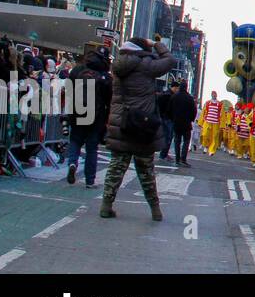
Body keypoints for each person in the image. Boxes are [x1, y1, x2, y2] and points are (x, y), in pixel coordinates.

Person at [100, 38, 174, 220]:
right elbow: (170, 61)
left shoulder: (118, 65)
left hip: (122, 122)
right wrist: (156, 44)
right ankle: (155, 210)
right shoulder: (146, 65)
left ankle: (106, 205)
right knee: (146, 170)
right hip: (143, 124)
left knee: (116, 168)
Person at [66, 46, 111, 187]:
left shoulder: (78, 70)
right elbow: (109, 99)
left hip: (77, 111)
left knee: (75, 141)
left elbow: (69, 89)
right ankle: (90, 181)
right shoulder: (105, 77)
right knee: (92, 148)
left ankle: (72, 163)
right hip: (96, 116)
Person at [169, 80, 196, 166]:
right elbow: (194, 111)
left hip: (176, 122)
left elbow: (169, 108)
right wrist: (191, 119)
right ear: (187, 87)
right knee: (186, 141)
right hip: (186, 123)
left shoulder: (174, 96)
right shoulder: (190, 98)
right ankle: (183, 159)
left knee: (177, 141)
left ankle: (177, 159)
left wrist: (172, 118)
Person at [198, 90, 223, 156]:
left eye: (215, 94)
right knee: (205, 134)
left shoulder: (220, 103)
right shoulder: (207, 102)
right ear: (211, 95)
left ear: (216, 95)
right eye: (213, 94)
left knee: (214, 137)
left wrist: (222, 125)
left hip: (216, 122)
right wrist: (200, 122)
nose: (214, 95)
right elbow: (203, 112)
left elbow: (222, 114)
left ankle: (211, 150)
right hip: (207, 121)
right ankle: (206, 146)